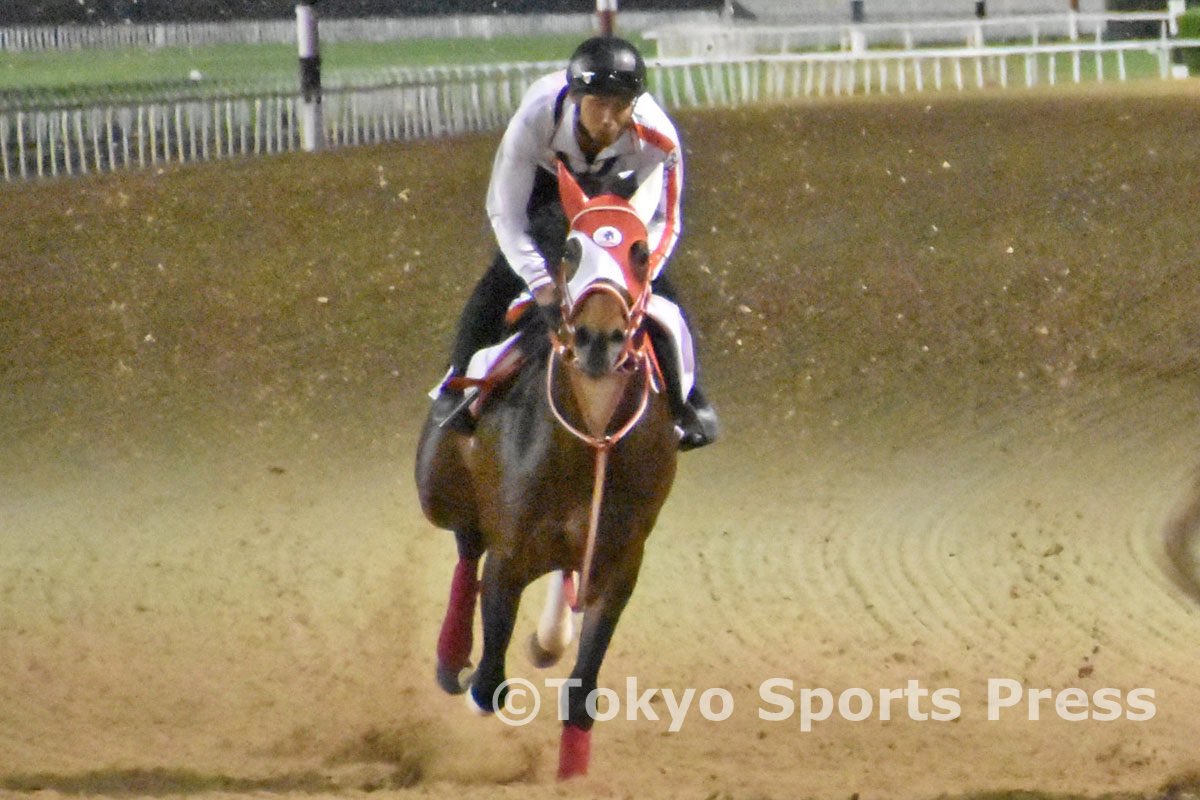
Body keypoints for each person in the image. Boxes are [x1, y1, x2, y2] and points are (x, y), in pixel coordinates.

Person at [432, 35, 718, 451]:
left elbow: (666, 221)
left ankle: (688, 400)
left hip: (616, 190)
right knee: (502, 276)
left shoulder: (660, 138)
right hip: (546, 186)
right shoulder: (534, 121)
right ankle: (456, 382)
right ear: (575, 99)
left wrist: (640, 276)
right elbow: (506, 215)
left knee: (662, 293)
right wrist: (541, 284)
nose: (609, 120)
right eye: (598, 104)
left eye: (621, 106)